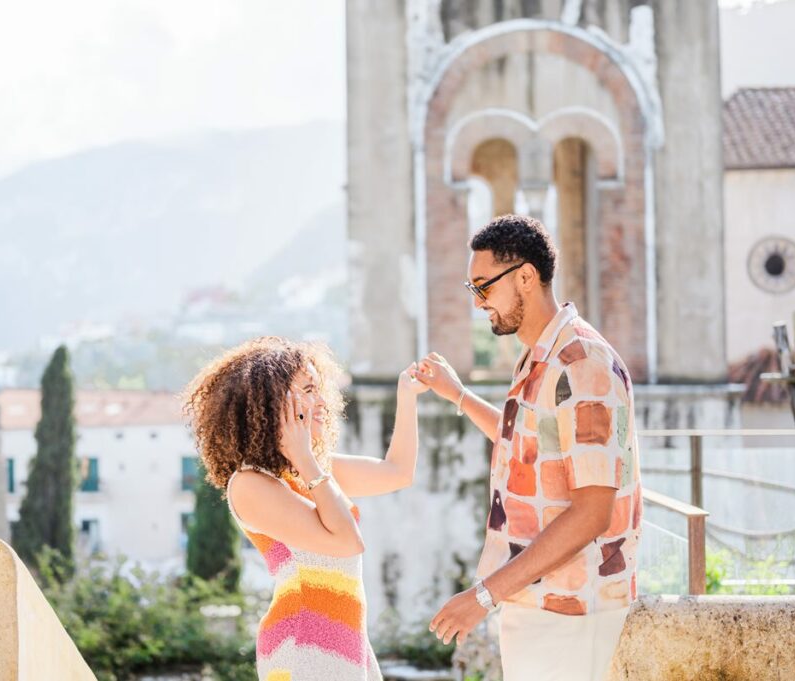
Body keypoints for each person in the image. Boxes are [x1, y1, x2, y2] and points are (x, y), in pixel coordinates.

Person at [414, 214, 642, 681]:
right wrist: (458, 394)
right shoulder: (545, 356)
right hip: (542, 603)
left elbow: (592, 511)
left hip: (571, 611)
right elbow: (528, 445)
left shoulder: (581, 364)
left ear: (525, 277)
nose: (478, 303)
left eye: (483, 287)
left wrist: (482, 596)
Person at [183, 336, 428, 681]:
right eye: (309, 389)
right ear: (272, 402)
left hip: (345, 640)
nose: (322, 401)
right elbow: (347, 542)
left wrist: (407, 397)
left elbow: (397, 473)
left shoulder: (310, 469)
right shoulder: (251, 483)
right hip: (303, 646)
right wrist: (308, 462)